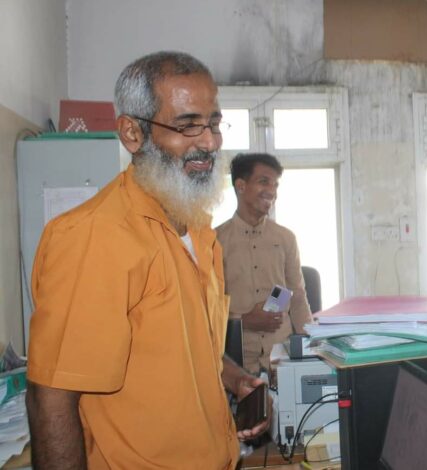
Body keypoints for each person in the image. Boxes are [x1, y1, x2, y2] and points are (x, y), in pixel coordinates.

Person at [25, 51, 271, 469]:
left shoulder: (199, 230)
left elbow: (192, 347)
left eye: (213, 123)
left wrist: (235, 379)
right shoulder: (94, 237)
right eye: (187, 125)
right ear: (132, 133)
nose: (209, 142)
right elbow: (51, 397)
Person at [217, 153, 313, 374]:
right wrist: (242, 322)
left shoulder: (285, 238)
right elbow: (205, 309)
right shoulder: (214, 241)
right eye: (264, 181)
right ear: (240, 186)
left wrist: (310, 351)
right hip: (234, 361)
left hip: (282, 359)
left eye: (275, 184)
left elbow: (298, 297)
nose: (272, 191)